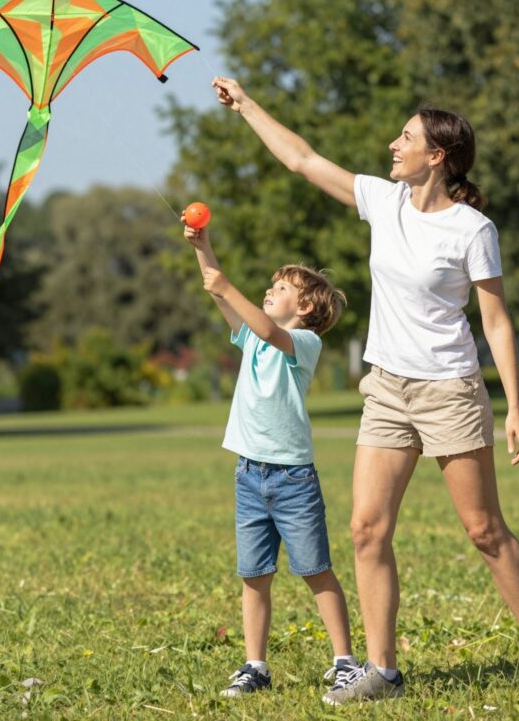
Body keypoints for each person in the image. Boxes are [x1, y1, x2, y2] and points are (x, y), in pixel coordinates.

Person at [210, 76, 519, 706]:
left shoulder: (471, 229)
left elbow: (496, 321)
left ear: (437, 156)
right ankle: (382, 669)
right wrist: (245, 106)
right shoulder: (383, 200)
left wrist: (514, 405)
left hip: (449, 390)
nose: (391, 144)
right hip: (386, 388)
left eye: (405, 137)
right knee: (366, 530)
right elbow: (301, 159)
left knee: (484, 529)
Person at [183, 219, 361, 698]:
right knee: (254, 575)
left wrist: (227, 285)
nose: (268, 290)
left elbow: (260, 323)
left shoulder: (303, 343)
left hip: (293, 481)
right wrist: (205, 249)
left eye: (279, 288)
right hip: (249, 476)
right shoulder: (255, 338)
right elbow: (223, 300)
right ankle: (255, 665)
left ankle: (345, 661)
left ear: (303, 307)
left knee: (315, 570)